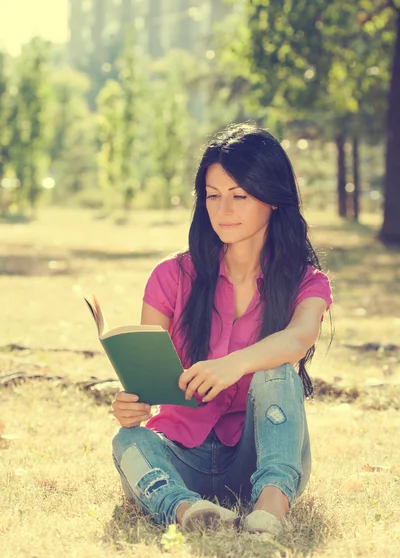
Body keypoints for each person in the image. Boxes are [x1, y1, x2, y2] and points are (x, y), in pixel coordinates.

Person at [111, 122, 333, 536]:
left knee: (277, 366)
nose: (223, 210)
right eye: (213, 196)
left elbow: (298, 339)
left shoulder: (307, 282)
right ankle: (188, 512)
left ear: (272, 199)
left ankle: (269, 509)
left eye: (239, 196)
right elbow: (145, 377)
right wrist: (130, 404)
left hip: (258, 456)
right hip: (180, 454)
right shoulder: (170, 276)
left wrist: (233, 365)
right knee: (127, 443)